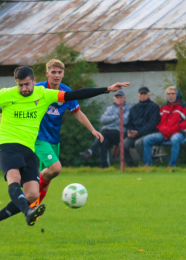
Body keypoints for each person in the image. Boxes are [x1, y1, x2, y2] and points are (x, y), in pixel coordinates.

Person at [0, 66, 129, 226]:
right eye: (20, 85)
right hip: (8, 145)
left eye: (27, 84)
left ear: (34, 81)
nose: (24, 89)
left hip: (29, 148)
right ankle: (28, 212)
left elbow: (75, 94)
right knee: (15, 179)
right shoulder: (5, 94)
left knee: (32, 194)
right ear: (16, 83)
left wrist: (107, 89)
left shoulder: (44, 94)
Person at [34, 59, 104, 206]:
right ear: (47, 74)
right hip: (38, 138)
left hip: (54, 139)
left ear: (63, 74)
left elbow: (78, 113)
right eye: (53, 72)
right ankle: (30, 188)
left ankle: (32, 207)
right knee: (55, 168)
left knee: (48, 177)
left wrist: (92, 130)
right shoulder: (37, 89)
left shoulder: (66, 92)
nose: (56, 75)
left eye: (59, 72)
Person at [143, 86, 186, 171]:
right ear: (166, 95)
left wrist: (178, 127)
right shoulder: (163, 107)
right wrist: (161, 129)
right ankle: (147, 166)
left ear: (176, 95)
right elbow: (158, 121)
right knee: (147, 140)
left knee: (175, 140)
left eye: (173, 93)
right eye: (168, 94)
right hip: (163, 134)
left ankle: (172, 166)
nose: (170, 95)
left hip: (178, 133)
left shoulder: (184, 106)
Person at [80, 90, 131, 168]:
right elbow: (103, 120)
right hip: (108, 134)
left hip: (120, 133)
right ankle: (104, 166)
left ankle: (91, 151)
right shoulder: (110, 108)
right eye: (117, 97)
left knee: (103, 132)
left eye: (121, 97)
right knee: (104, 141)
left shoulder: (128, 108)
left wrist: (110, 120)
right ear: (114, 99)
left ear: (124, 99)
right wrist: (117, 116)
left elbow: (125, 120)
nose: (119, 99)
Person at [124, 86, 160, 167]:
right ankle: (130, 166)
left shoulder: (154, 107)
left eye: (145, 94)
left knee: (138, 143)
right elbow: (129, 123)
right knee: (123, 144)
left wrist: (139, 132)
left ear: (149, 95)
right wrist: (129, 132)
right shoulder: (134, 108)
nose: (143, 96)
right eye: (141, 94)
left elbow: (152, 124)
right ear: (138, 95)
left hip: (148, 134)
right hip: (134, 135)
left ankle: (145, 164)